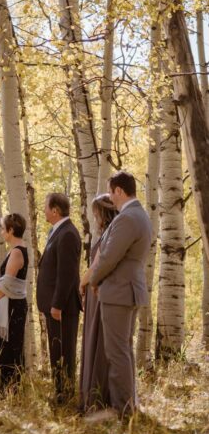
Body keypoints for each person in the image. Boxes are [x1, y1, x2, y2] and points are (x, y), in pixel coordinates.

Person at [89, 171, 152, 418]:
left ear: (119, 191)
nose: (111, 198)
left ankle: (122, 409)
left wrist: (94, 280)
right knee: (123, 350)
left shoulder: (127, 218)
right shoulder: (140, 215)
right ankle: (130, 404)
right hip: (128, 290)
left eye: (111, 192)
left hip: (118, 291)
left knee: (116, 352)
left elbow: (109, 257)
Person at [36, 192, 82, 405]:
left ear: (55, 210)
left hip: (62, 307)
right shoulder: (58, 232)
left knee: (64, 352)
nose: (43, 210)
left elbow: (67, 274)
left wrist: (57, 304)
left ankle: (66, 395)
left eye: (45, 206)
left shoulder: (68, 234)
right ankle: (59, 392)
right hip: (54, 306)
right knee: (56, 351)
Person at [78, 194, 118, 411]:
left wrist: (81, 283)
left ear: (103, 213)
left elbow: (96, 265)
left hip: (99, 290)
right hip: (96, 292)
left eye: (96, 214)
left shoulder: (111, 234)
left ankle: (99, 397)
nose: (95, 218)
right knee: (94, 339)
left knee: (99, 340)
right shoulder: (106, 234)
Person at [0, 213, 29, 393]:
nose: (1, 231)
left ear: (11, 230)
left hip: (13, 307)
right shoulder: (17, 249)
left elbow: (7, 282)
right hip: (12, 304)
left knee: (8, 348)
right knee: (7, 347)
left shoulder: (17, 252)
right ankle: (7, 390)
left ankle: (6, 390)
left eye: (3, 228)